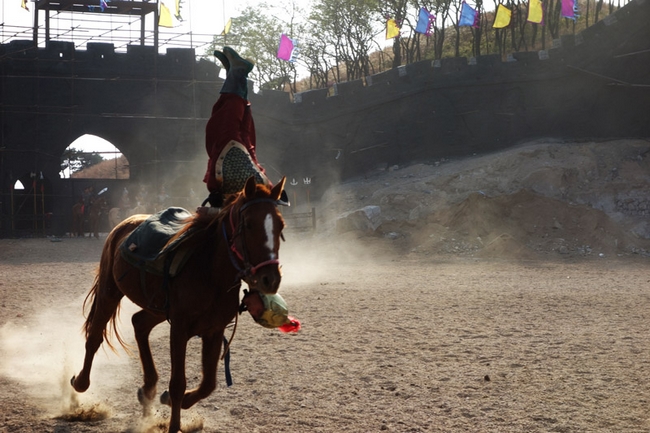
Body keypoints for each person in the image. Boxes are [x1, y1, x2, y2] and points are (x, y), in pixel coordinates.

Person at [202, 46, 287, 208]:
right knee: (231, 123)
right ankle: (237, 72)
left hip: (234, 174)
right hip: (239, 173)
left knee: (228, 122)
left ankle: (236, 72)